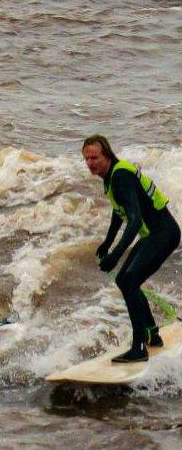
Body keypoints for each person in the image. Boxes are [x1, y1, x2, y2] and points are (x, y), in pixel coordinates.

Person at [83, 135, 180, 362]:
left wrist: (116, 255)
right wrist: (107, 243)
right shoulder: (111, 177)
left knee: (130, 281)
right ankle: (152, 334)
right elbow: (120, 212)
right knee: (125, 281)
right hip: (154, 235)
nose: (90, 163)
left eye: (94, 157)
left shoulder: (121, 176)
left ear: (107, 155)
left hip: (163, 234)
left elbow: (134, 220)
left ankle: (139, 348)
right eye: (86, 159)